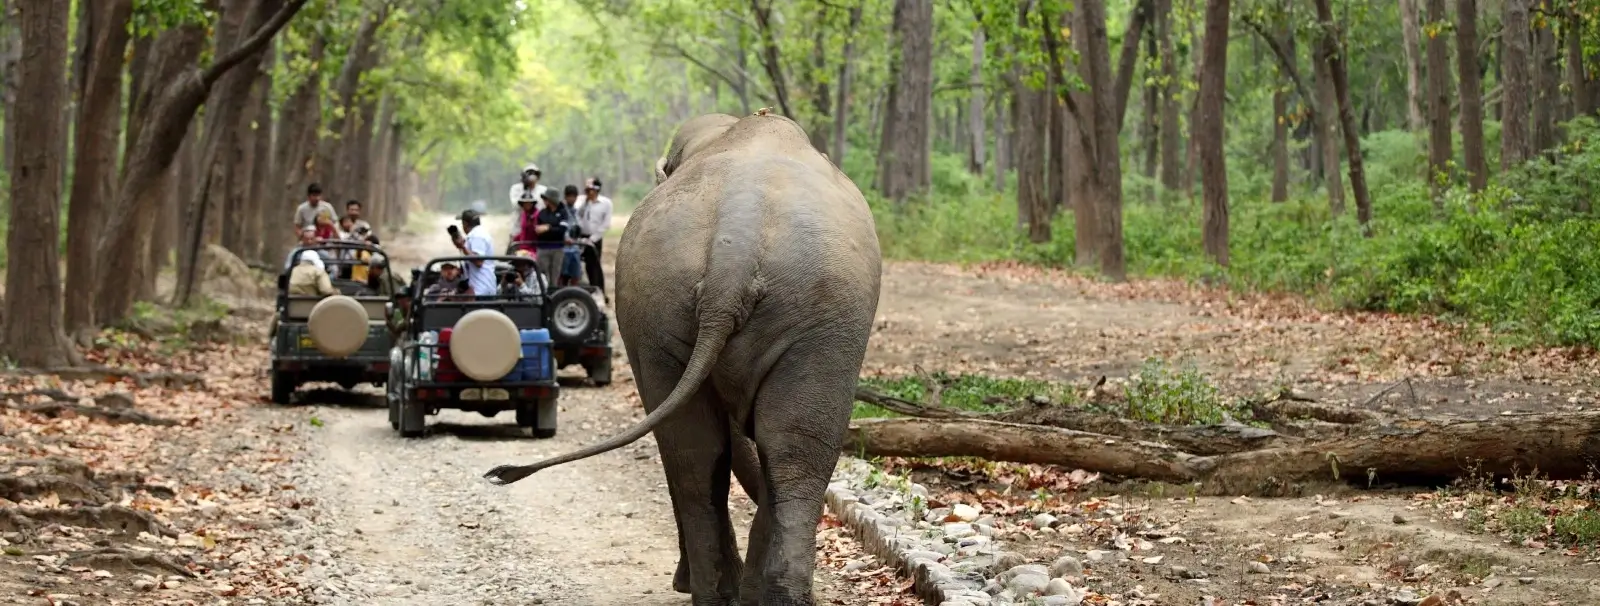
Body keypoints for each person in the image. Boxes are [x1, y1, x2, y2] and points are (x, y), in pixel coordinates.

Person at [575, 177, 613, 296]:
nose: (588, 192)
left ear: (597, 189)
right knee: (577, 264)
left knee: (594, 266)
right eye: (586, 189)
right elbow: (576, 216)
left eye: (590, 189)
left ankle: (599, 291)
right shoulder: (580, 201)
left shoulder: (606, 203)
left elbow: (605, 224)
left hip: (594, 238)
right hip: (580, 237)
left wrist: (592, 239)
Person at [453, 208, 499, 298]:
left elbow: (478, 261)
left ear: (465, 224)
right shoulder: (477, 234)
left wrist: (463, 247)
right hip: (479, 289)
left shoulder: (477, 235)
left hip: (481, 290)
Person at [531, 188, 570, 290]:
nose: (545, 201)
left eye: (546, 198)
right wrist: (544, 229)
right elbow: (538, 229)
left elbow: (562, 229)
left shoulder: (563, 212)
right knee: (543, 274)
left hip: (557, 248)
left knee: (555, 275)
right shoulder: (542, 213)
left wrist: (548, 228)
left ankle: (554, 294)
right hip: (543, 247)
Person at [508, 163, 547, 252]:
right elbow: (516, 205)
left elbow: (542, 206)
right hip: (519, 227)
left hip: (536, 228)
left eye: (534, 173)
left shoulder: (543, 190)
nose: (532, 176)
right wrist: (526, 190)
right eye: (529, 173)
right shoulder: (516, 188)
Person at [560, 185, 585, 287]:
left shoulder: (575, 211)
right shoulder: (561, 210)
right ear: (565, 197)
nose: (572, 199)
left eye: (574, 197)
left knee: (576, 275)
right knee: (562, 275)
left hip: (575, 247)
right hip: (564, 248)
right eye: (569, 196)